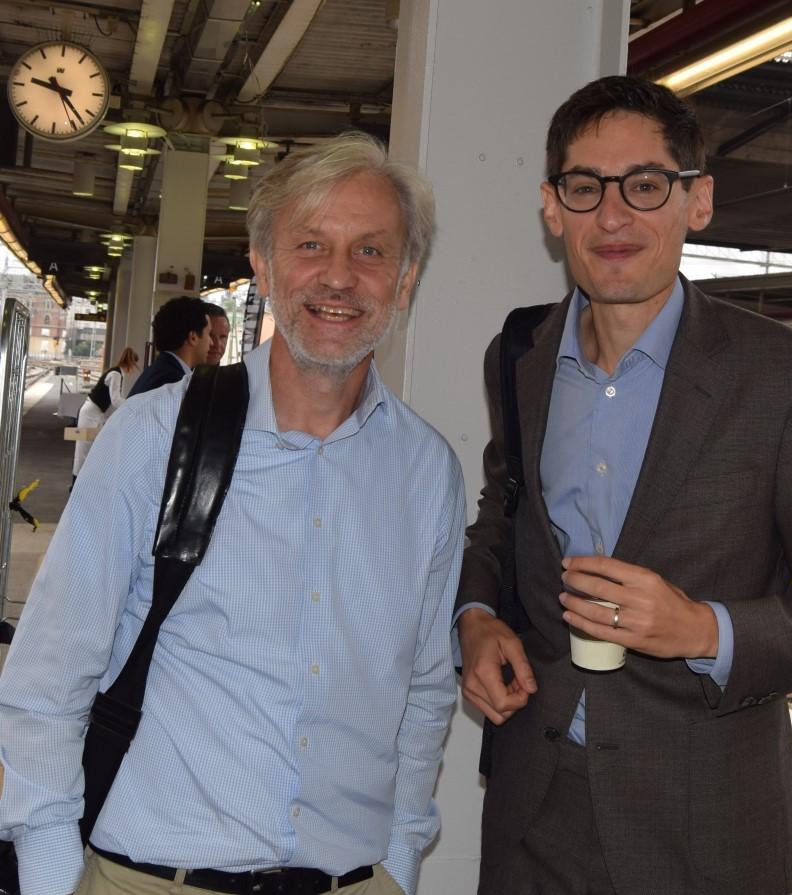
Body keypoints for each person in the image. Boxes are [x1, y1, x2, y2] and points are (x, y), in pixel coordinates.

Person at [456, 75, 792, 895]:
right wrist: (476, 617)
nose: (613, 216)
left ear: (697, 203)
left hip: (705, 832)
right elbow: (500, 514)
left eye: (646, 184)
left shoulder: (786, 380)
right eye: (584, 188)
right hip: (533, 816)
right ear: (552, 208)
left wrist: (703, 628)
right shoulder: (518, 357)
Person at [0, 133, 464, 895]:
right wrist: (52, 875)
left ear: (406, 279)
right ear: (264, 263)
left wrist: (402, 862)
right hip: (153, 876)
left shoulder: (427, 473)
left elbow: (422, 692)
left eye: (372, 252)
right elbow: (51, 669)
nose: (339, 277)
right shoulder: (155, 437)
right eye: (311, 244)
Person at [71, 347, 138, 480]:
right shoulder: (116, 374)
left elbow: (113, 402)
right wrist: (132, 405)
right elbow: (115, 400)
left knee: (90, 450)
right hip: (90, 414)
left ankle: (83, 482)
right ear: (131, 363)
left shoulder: (117, 373)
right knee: (83, 451)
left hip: (94, 414)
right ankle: (76, 484)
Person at [127, 296, 211, 396]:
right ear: (193, 337)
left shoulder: (158, 371)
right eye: (209, 334)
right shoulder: (174, 384)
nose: (212, 342)